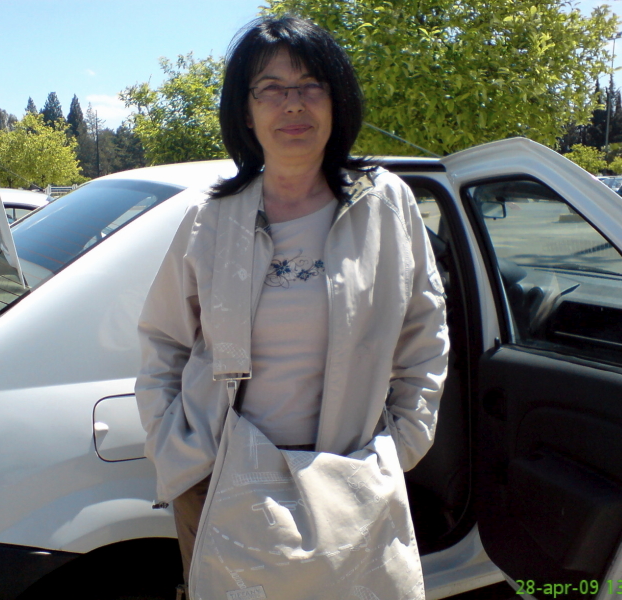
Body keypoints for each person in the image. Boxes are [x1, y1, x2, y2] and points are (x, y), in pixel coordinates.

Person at [135, 14, 449, 599]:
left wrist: (402, 443)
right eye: (272, 89)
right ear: (246, 110)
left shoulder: (385, 204)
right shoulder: (211, 217)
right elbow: (164, 340)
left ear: (336, 99)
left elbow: (424, 330)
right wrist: (179, 448)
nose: (294, 104)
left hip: (348, 477)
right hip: (220, 481)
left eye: (310, 85)